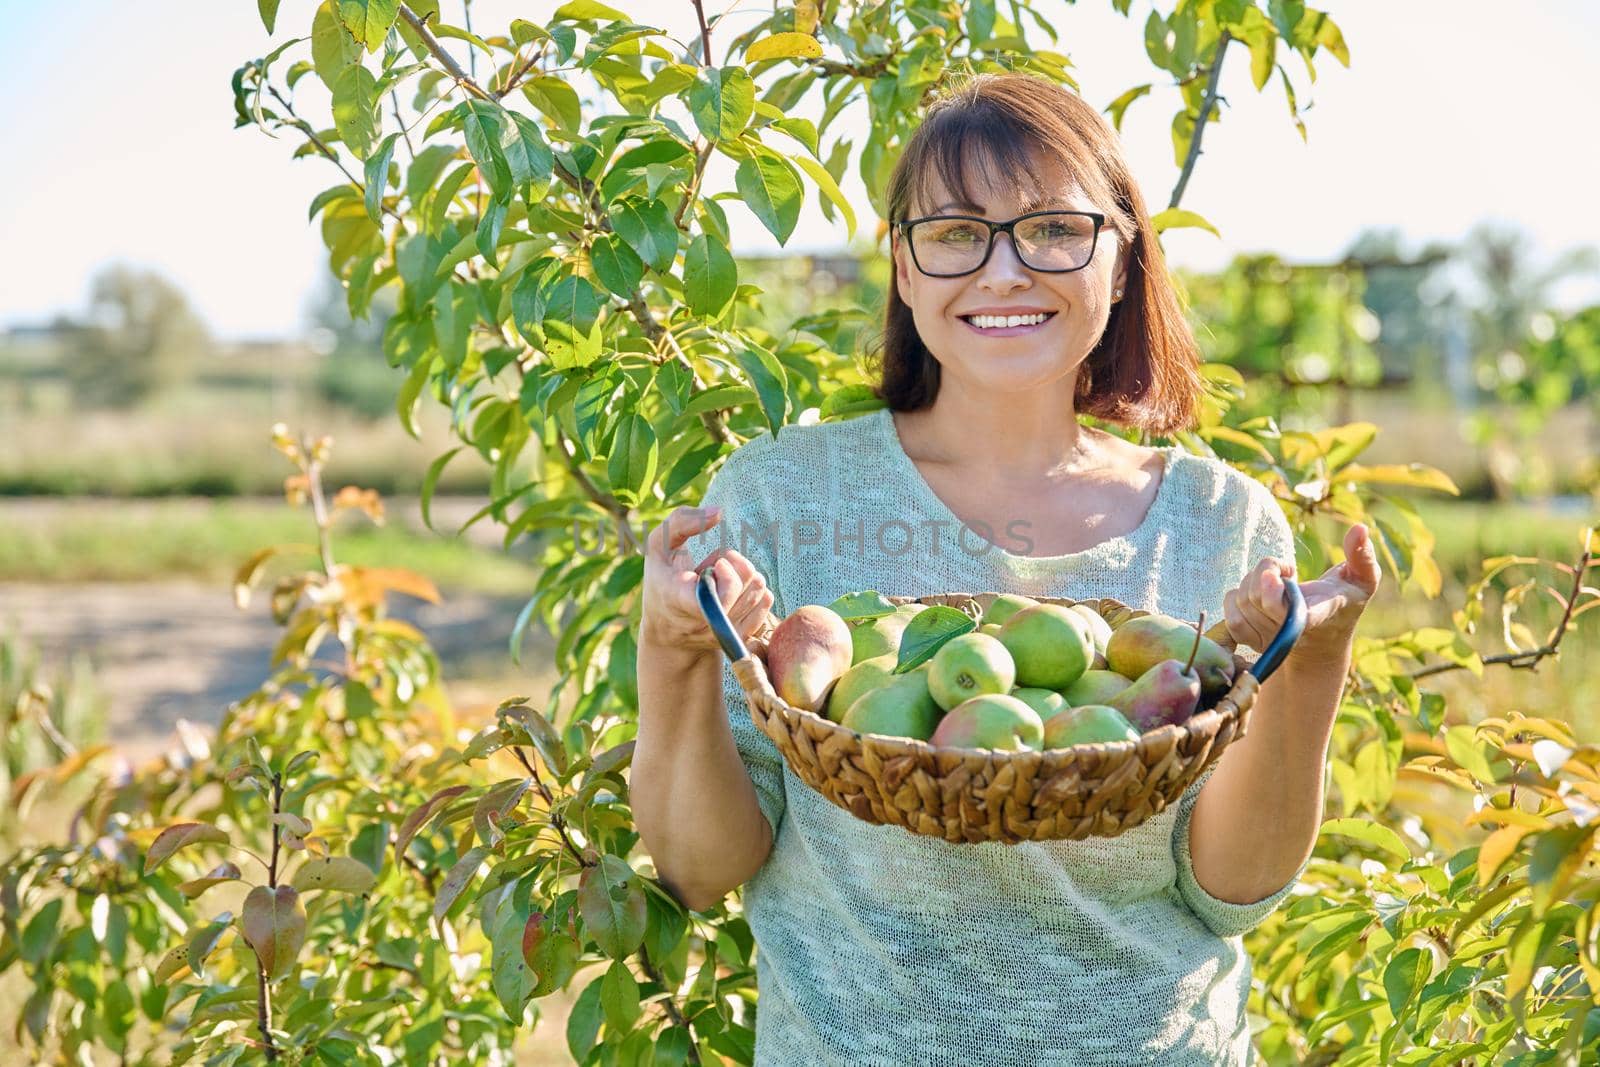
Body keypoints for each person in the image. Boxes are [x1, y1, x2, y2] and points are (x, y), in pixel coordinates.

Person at [633, 71, 1382, 1066]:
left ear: (1120, 261)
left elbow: (1230, 888)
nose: (1004, 270)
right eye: (954, 233)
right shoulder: (781, 499)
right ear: (902, 269)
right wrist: (672, 646)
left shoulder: (1216, 520)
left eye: (1053, 229)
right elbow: (695, 866)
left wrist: (1311, 657)